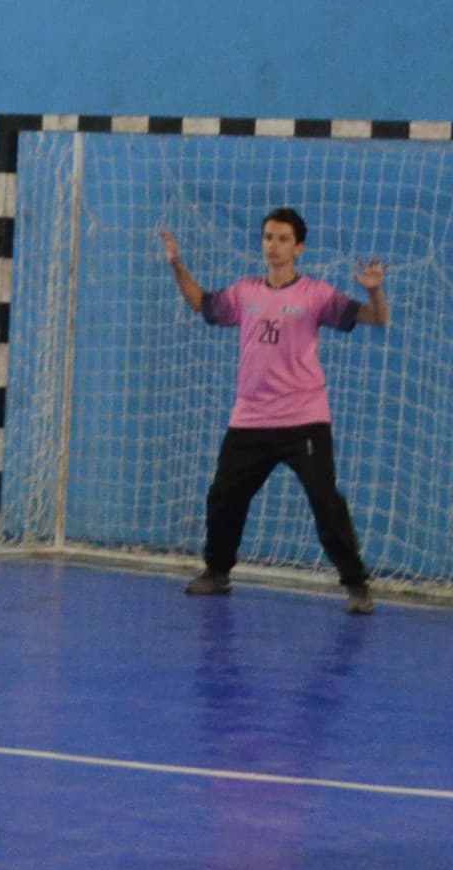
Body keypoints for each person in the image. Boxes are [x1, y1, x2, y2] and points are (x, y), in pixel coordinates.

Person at [163, 210, 388, 613]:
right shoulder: (245, 292)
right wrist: (178, 265)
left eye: (283, 239)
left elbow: (376, 317)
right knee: (224, 497)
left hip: (304, 419)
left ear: (299, 248)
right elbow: (202, 304)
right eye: (268, 237)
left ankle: (357, 585)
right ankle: (217, 572)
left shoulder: (316, 295)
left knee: (325, 501)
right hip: (250, 419)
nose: (274, 245)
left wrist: (374, 291)